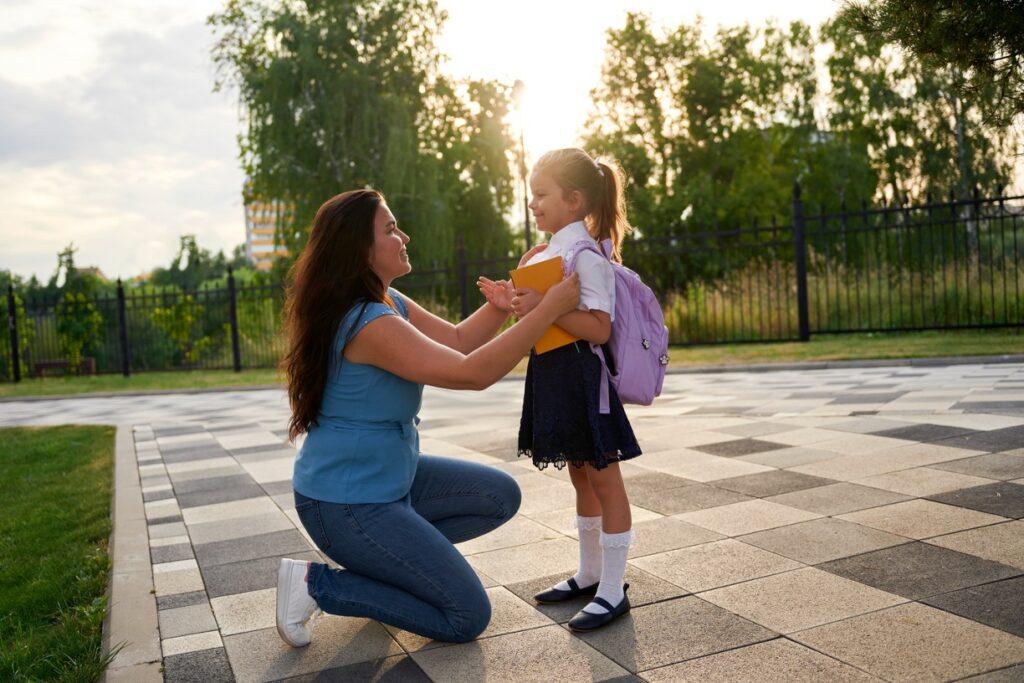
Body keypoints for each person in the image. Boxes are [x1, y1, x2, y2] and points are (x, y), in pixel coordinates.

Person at [275, 189, 580, 647]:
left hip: (386, 480)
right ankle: (316, 586)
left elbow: (457, 341)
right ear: (361, 249)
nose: (404, 236)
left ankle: (389, 570)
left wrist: (500, 306)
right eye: (390, 229)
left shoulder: (387, 301)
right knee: (465, 616)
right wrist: (549, 309)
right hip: (346, 504)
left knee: (497, 496)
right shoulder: (367, 323)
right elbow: (471, 373)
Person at [500, 148, 642, 632]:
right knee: (580, 476)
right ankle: (590, 573)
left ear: (574, 199)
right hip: (554, 374)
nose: (533, 204)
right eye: (532, 194)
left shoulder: (586, 257)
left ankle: (613, 589)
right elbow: (539, 317)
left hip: (584, 378)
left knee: (604, 478)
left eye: (542, 195)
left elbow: (599, 328)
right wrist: (515, 301)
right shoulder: (545, 254)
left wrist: (547, 305)